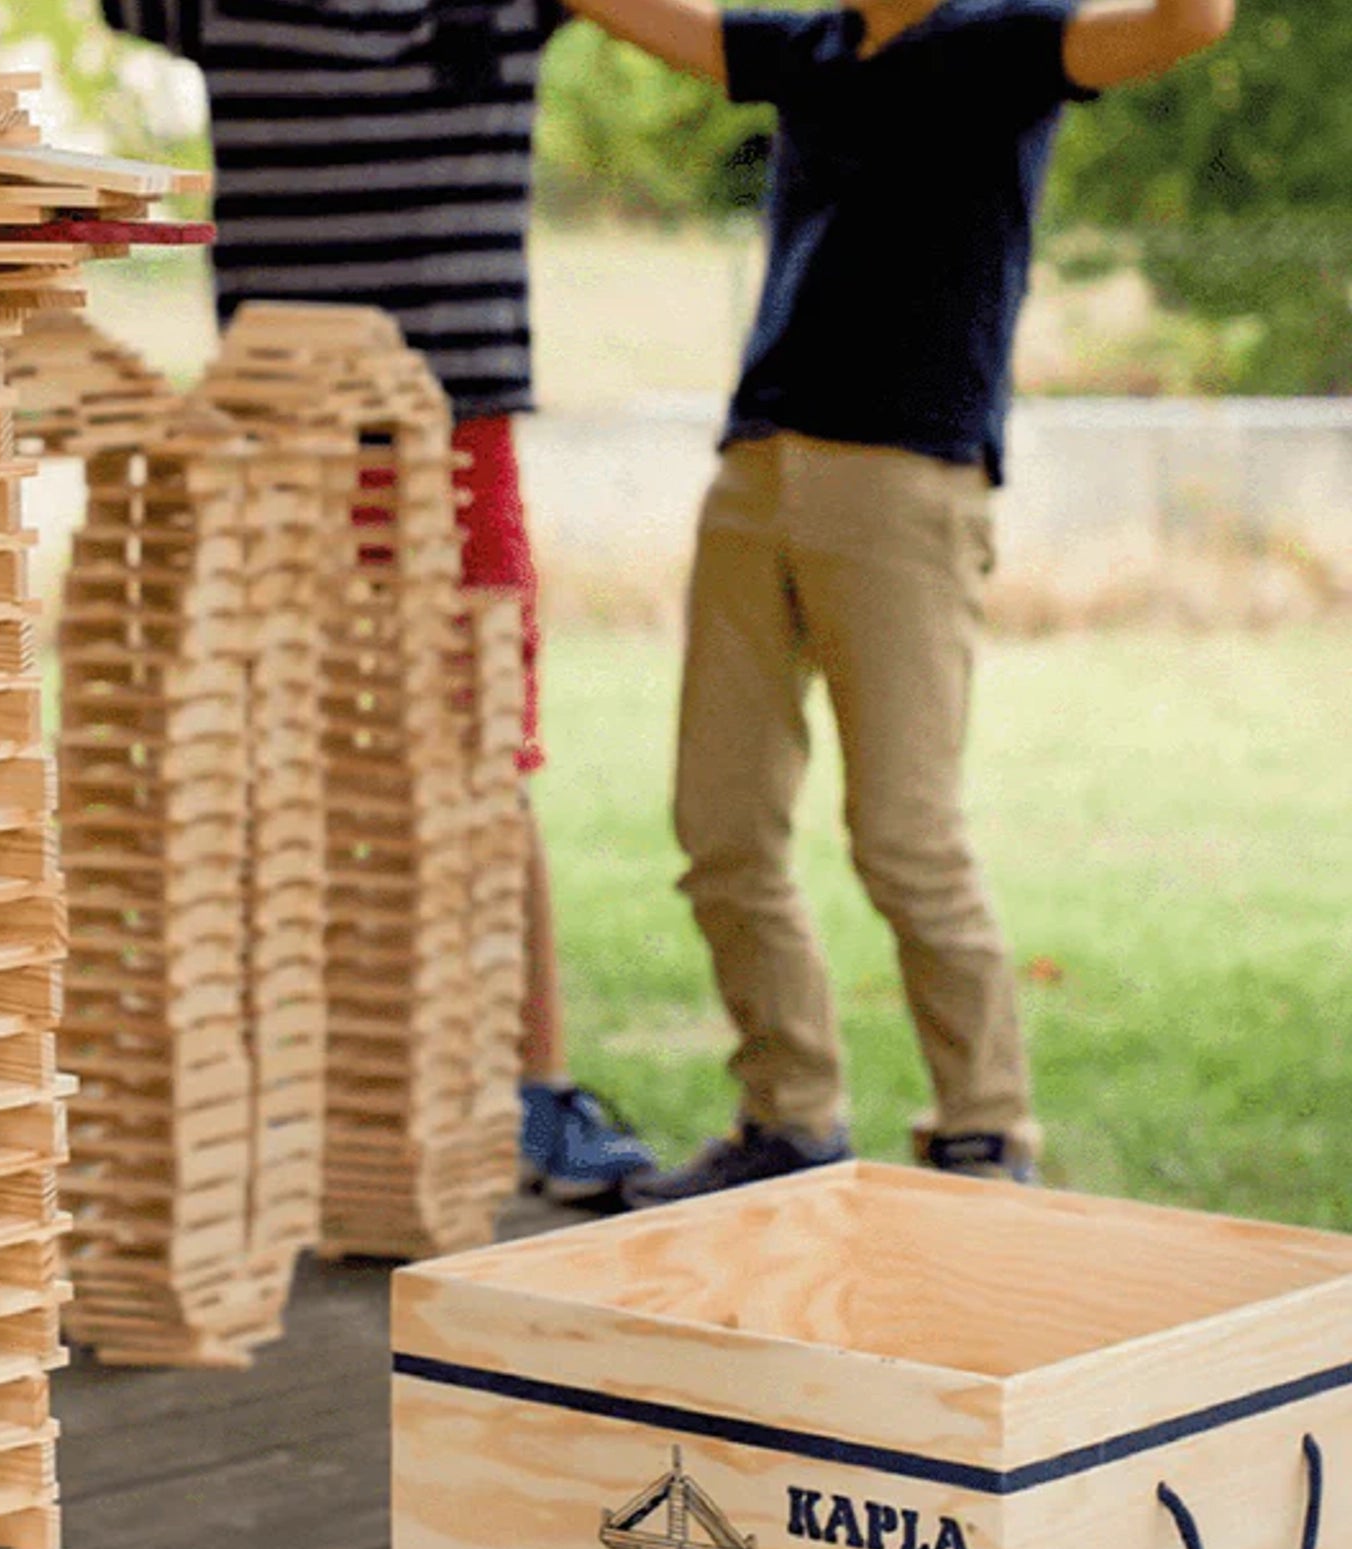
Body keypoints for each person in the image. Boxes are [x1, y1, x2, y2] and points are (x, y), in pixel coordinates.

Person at [539, 0, 1235, 1205]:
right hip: (756, 471)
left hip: (903, 485)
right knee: (719, 830)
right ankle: (788, 1116)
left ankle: (985, 1131)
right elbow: (650, 20)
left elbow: (1189, 22)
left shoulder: (1007, 44)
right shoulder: (807, 49)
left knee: (903, 838)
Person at [97, 0, 659, 1208]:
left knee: (483, 762)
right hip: (274, 443)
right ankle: (285, 1091)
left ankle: (533, 1084)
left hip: (450, 439)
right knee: (272, 769)